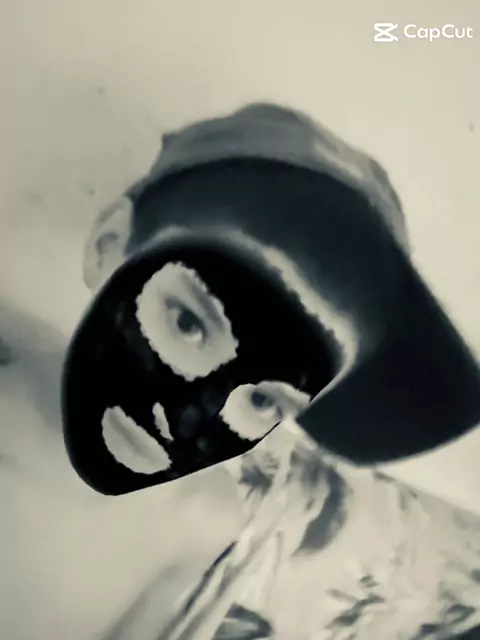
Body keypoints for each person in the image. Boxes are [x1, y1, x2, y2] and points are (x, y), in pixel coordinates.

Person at [59, 102, 480, 639]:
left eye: (263, 400)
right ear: (109, 245)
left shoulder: (206, 525)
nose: (185, 421)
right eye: (188, 323)